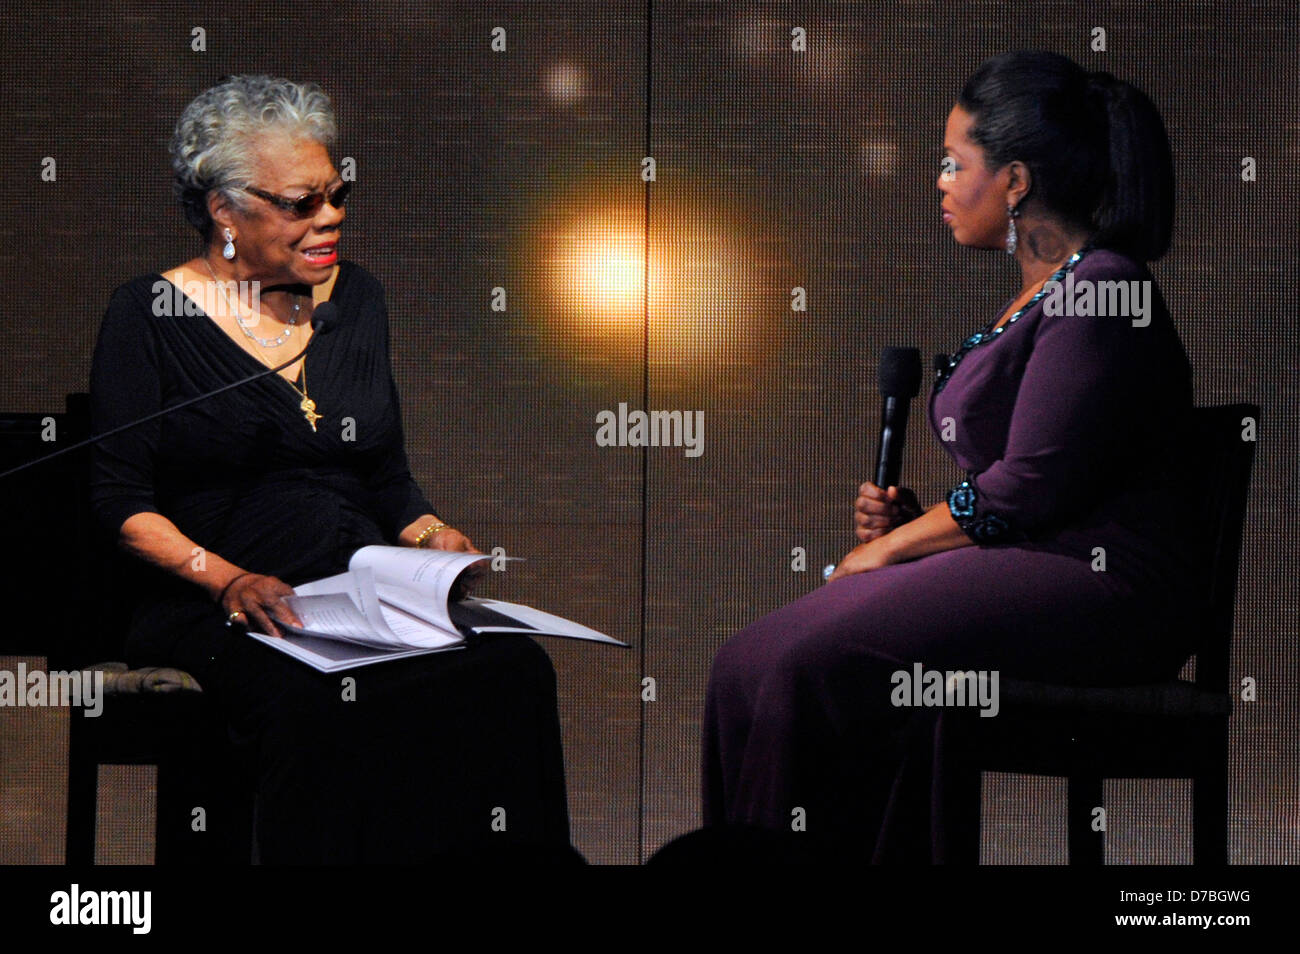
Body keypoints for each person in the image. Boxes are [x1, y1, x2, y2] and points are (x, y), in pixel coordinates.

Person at [702, 50, 1205, 862]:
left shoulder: (1105, 286)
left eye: (953, 162)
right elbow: (1018, 483)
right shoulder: (1039, 295)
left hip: (1106, 588)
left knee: (808, 662)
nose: (938, 181)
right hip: (1036, 562)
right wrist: (913, 524)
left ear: (1014, 180)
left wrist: (894, 550)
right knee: (744, 662)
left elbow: (1029, 486)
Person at [89, 75, 570, 863]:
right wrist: (228, 578)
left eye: (337, 195)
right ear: (225, 209)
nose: (331, 218)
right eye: (301, 203)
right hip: (221, 604)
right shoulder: (147, 314)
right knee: (316, 706)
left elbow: (385, 476)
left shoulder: (358, 301)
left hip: (352, 595)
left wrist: (432, 532)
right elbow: (119, 501)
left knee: (512, 670)